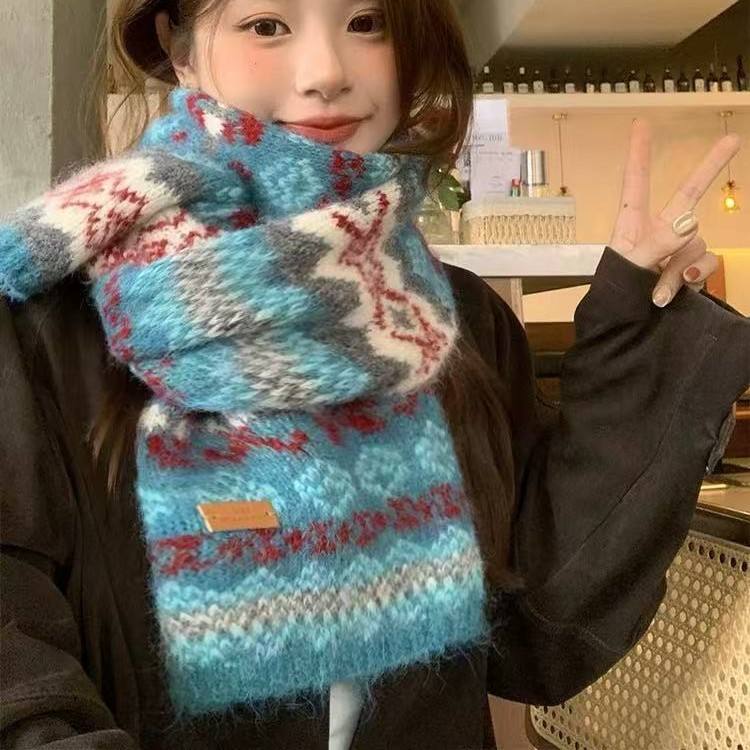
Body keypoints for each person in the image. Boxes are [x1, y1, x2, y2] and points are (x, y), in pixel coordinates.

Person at [0, 1, 748, 748]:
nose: (326, 73)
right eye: (266, 26)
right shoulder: (52, 323)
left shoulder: (459, 320)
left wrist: (635, 332)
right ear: (180, 47)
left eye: (367, 23)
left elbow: (540, 631)